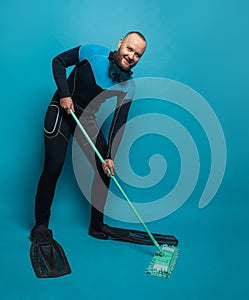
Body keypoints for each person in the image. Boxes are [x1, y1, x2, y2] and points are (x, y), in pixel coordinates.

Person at [29, 32, 177, 278]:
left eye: (137, 54)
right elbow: (58, 61)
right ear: (120, 43)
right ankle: (41, 225)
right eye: (129, 48)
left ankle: (97, 226)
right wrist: (64, 93)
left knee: (104, 168)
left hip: (86, 119)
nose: (131, 56)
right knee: (53, 166)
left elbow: (119, 124)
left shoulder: (128, 86)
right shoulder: (92, 51)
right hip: (62, 110)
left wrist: (109, 157)